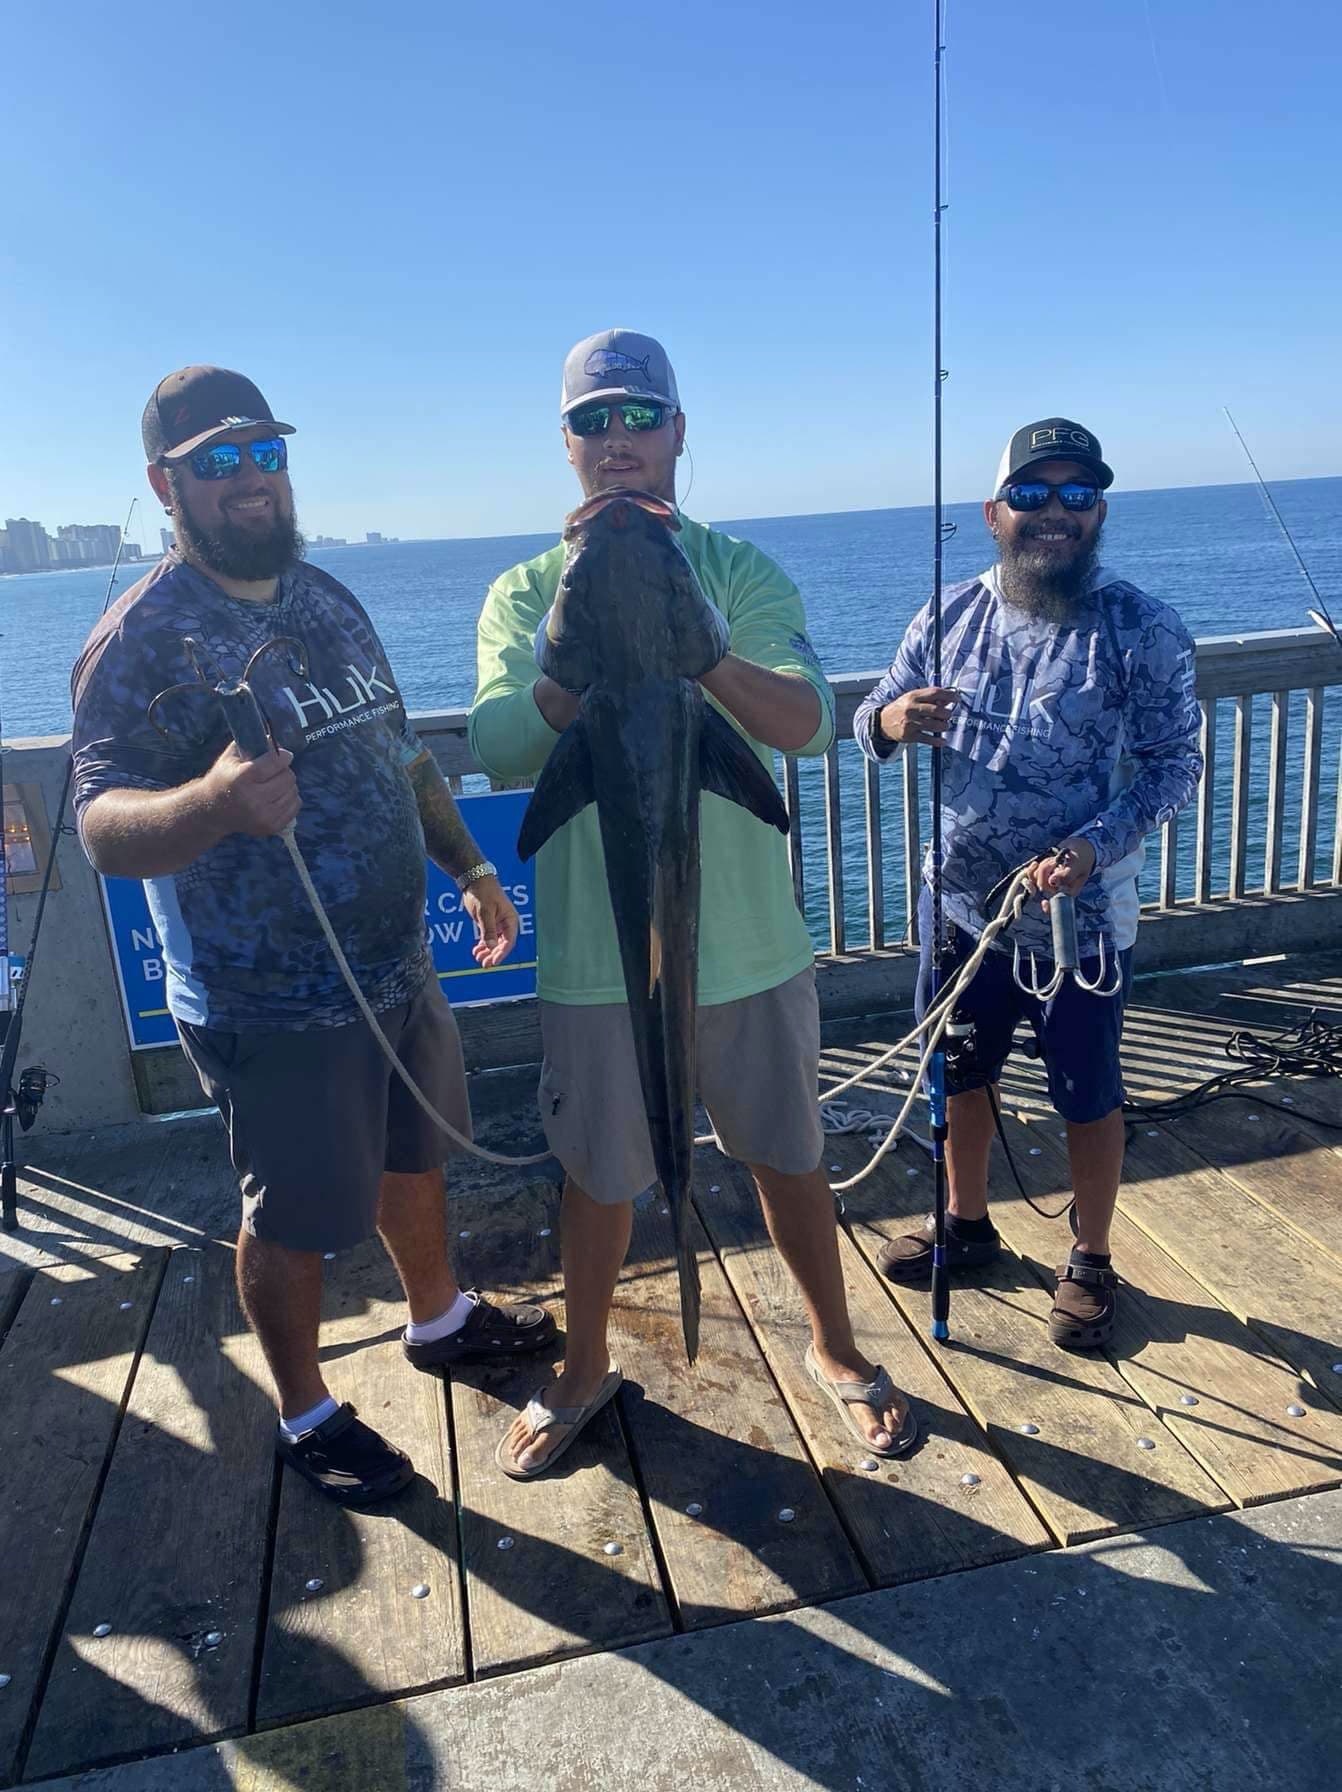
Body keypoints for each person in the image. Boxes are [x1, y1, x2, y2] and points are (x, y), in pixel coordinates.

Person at [71, 366, 556, 1504]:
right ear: (166, 484)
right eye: (218, 462)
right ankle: (305, 1413)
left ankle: (435, 1318)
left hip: (394, 962)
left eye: (265, 453)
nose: (251, 480)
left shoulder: (329, 597)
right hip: (266, 1000)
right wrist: (212, 804)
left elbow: (403, 751)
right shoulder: (138, 640)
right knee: (288, 1213)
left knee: (411, 1154)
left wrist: (472, 866)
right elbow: (97, 825)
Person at [470, 328, 917, 1477]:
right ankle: (580, 1366)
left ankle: (834, 1346)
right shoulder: (522, 592)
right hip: (596, 966)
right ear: (565, 444)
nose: (615, 441)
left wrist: (701, 651)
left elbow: (808, 723)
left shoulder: (743, 573)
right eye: (590, 421)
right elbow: (503, 744)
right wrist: (574, 640)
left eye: (637, 417)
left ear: (677, 430)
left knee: (788, 1153)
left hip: (754, 950)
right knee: (598, 1174)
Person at [855, 418, 1202, 1348]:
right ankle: (966, 1224)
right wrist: (891, 718)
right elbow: (865, 724)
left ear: (1099, 513)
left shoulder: (1142, 626)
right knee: (957, 1075)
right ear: (993, 512)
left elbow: (1175, 766)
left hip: (1079, 925)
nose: (1056, 513)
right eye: (1034, 495)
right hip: (958, 911)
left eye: (1078, 496)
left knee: (1088, 1093)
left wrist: (1093, 848)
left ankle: (1090, 1260)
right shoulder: (945, 616)